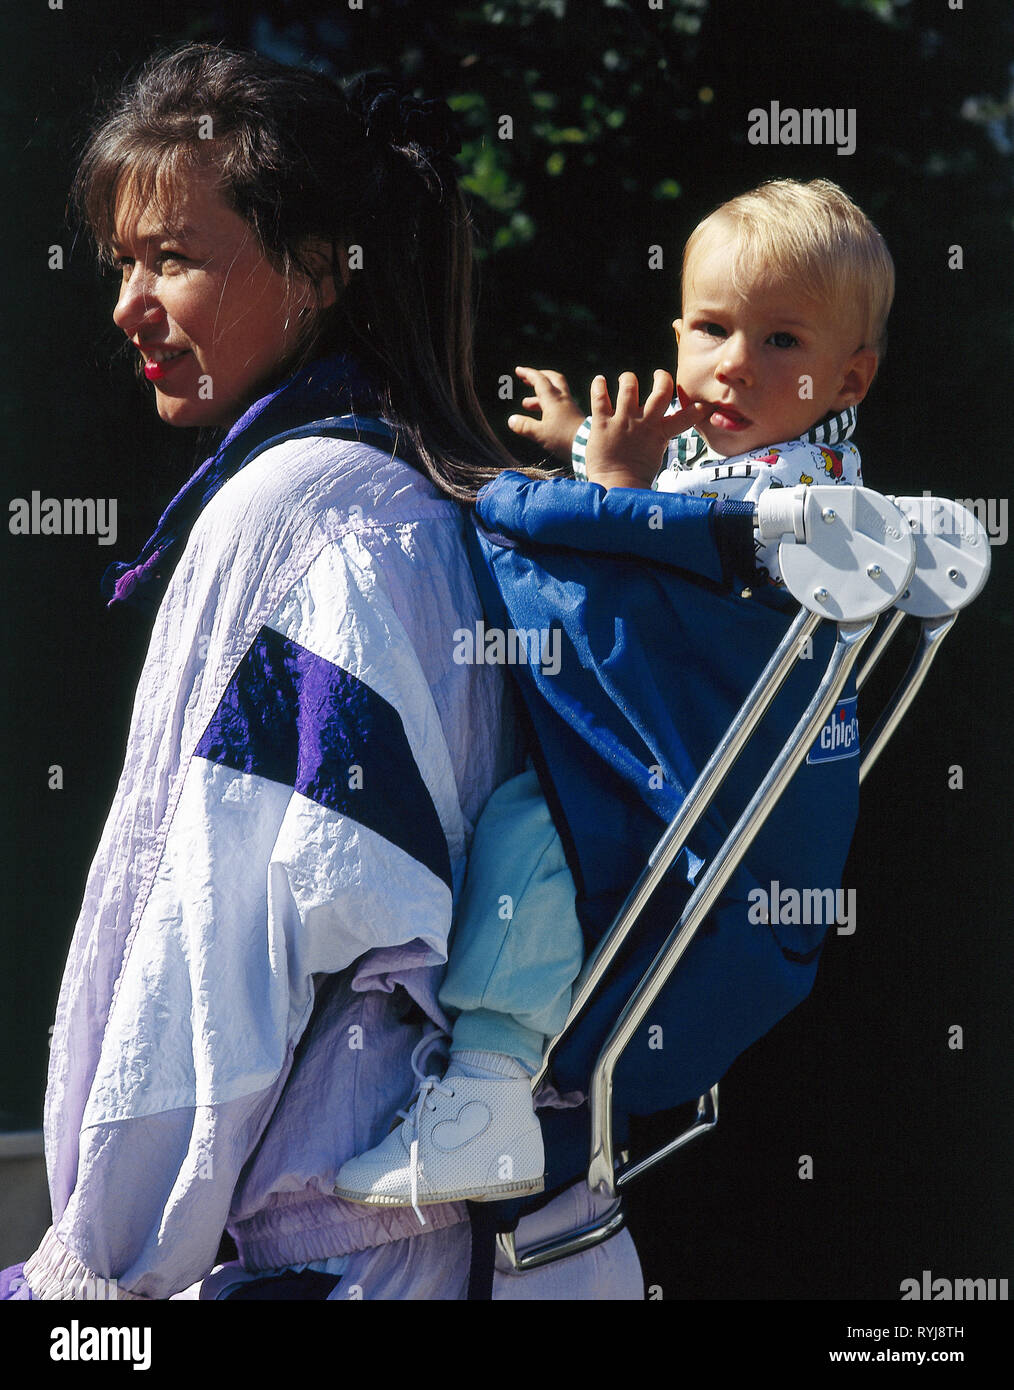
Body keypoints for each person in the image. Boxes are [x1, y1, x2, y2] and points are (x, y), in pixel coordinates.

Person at [1, 40, 649, 1303]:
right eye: (123, 263)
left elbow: (221, 948)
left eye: (173, 258)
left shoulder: (305, 512)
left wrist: (86, 1285)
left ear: (312, 271)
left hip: (339, 1258)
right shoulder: (433, 498)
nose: (128, 303)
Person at [334, 178, 893, 1211]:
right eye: (713, 329)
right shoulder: (728, 469)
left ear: (849, 378)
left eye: (781, 342)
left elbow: (660, 583)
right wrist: (592, 464)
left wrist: (606, 498)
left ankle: (486, 1090)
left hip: (686, 806)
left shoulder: (808, 497)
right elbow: (659, 536)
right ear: (676, 333)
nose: (734, 363)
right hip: (690, 787)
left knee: (534, 824)